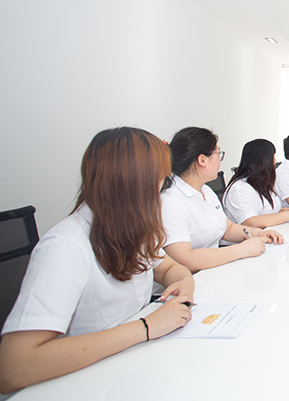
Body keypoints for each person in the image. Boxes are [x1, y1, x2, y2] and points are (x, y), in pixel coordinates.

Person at [0, 128, 195, 393]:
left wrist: (184, 282)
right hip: (82, 384)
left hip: (126, 368)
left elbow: (168, 268)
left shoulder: (131, 228)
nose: (164, 186)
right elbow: (14, 367)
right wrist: (146, 327)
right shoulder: (66, 246)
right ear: (136, 182)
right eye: (162, 177)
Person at [161, 127, 283, 273]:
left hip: (213, 272)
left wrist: (255, 233)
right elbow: (185, 259)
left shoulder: (205, 190)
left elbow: (227, 228)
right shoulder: (171, 200)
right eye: (218, 154)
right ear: (202, 160)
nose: (220, 159)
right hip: (189, 281)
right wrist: (241, 250)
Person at [223, 138, 289, 227]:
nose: (274, 161)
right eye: (273, 157)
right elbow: (250, 222)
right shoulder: (239, 189)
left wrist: (279, 213)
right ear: (265, 161)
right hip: (251, 235)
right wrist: (288, 215)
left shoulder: (260, 182)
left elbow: (263, 211)